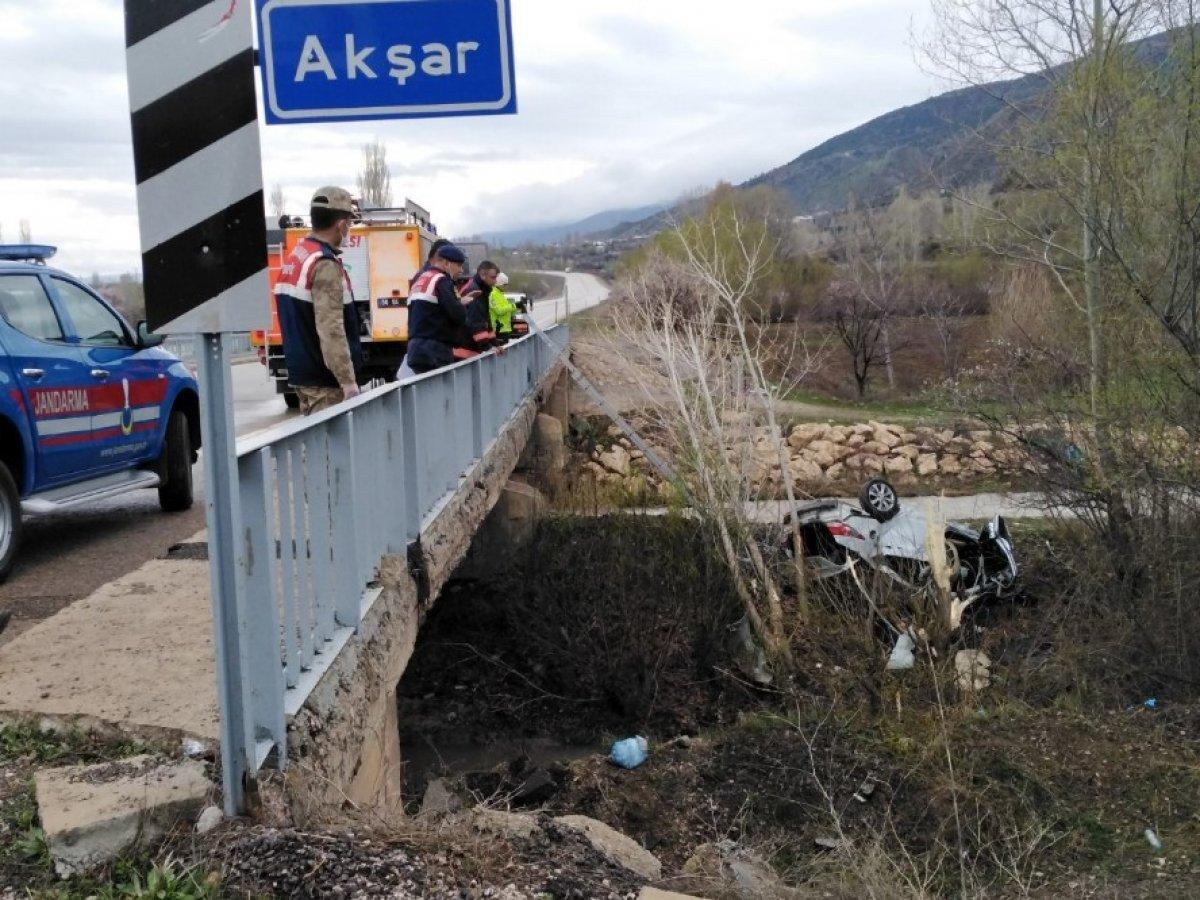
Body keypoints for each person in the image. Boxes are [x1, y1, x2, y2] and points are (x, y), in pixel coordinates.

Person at [274, 187, 363, 415]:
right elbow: (331, 329)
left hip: (302, 376)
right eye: (349, 224)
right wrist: (348, 382)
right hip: (325, 383)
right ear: (341, 225)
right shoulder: (324, 264)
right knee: (333, 450)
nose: (349, 230)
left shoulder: (298, 256)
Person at [405, 243, 476, 373]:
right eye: (459, 265)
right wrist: (461, 305)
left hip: (415, 348)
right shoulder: (442, 280)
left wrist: (459, 302)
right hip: (435, 350)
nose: (461, 270)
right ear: (446, 263)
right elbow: (458, 315)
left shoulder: (421, 279)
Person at [488, 271, 520, 341]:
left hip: (504, 329)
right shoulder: (493, 294)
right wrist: (514, 305)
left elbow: (506, 309)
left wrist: (517, 306)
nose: (506, 287)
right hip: (498, 329)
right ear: (499, 284)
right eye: (505, 285)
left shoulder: (500, 294)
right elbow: (499, 311)